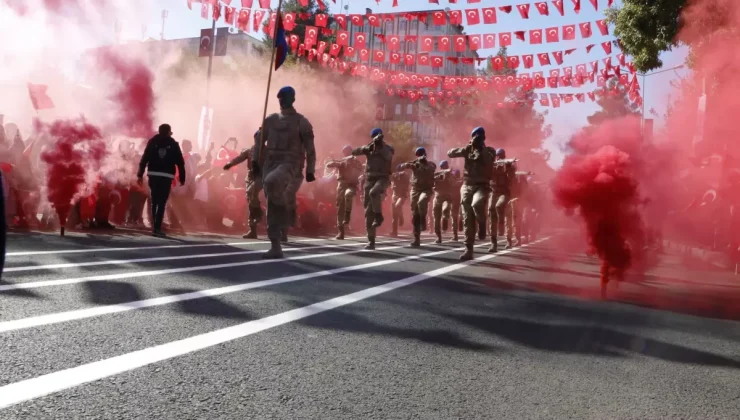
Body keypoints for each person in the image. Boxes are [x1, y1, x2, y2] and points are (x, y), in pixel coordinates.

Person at [253, 86, 316, 259]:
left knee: (272, 184)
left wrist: (310, 170)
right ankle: (276, 243)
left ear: (293, 99)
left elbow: (310, 149)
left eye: (286, 97)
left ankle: (286, 214)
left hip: (290, 163)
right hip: (270, 163)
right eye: (280, 97)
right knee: (271, 198)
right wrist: (254, 160)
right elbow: (259, 140)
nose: (282, 100)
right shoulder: (271, 119)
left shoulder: (301, 121)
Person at [447, 127, 497, 261]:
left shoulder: (490, 151)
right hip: (467, 186)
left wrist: (482, 148)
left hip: (482, 186)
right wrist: (468, 146)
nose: (477, 139)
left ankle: (481, 222)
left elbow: (489, 161)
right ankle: (468, 249)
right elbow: (450, 153)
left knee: (477, 204)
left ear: (484, 139)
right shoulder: (467, 150)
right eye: (475, 137)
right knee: (467, 218)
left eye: (480, 137)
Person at [137, 124, 186, 237]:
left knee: (154, 200)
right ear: (169, 132)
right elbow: (180, 162)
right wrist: (182, 178)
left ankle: (154, 226)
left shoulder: (152, 141)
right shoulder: (173, 144)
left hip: (153, 174)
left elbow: (144, 158)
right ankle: (157, 227)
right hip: (166, 176)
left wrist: (140, 175)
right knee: (162, 202)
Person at [352, 128, 394, 250]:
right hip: (369, 180)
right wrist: (366, 148)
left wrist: (381, 146)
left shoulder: (388, 148)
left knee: (374, 192)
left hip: (382, 179)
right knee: (367, 213)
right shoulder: (369, 147)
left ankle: (379, 216)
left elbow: (389, 157)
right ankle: (371, 241)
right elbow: (354, 152)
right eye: (375, 137)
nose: (377, 139)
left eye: (378, 137)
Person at [224, 129, 263, 239]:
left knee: (251, 191)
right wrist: (230, 164)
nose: (258, 140)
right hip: (250, 176)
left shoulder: (268, 151)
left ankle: (259, 212)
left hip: (262, 175)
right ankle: (252, 229)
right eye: (257, 138)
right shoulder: (249, 150)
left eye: (261, 138)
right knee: (250, 200)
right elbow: (239, 158)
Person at [399, 147, 436, 247]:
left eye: (421, 154)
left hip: (426, 190)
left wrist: (423, 163)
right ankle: (416, 239)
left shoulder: (430, 165)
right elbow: (404, 166)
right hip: (415, 190)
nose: (420, 156)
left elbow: (432, 169)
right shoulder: (414, 164)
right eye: (418, 155)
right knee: (415, 214)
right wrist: (403, 165)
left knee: (422, 202)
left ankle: (423, 219)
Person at [326, 145, 363, 240]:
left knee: (347, 198)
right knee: (340, 207)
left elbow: (362, 171)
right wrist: (336, 163)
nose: (346, 153)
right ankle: (341, 231)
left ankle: (345, 223)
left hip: (349, 185)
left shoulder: (354, 161)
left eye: (347, 151)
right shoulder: (343, 161)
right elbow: (329, 164)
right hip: (343, 185)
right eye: (345, 151)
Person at [489, 148, 517, 251]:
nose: (499, 157)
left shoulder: (510, 166)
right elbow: (488, 176)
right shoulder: (493, 165)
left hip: (505, 193)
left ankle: (508, 240)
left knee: (505, 215)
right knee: (492, 214)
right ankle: (493, 243)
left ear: (504, 156)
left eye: (501, 156)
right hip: (493, 192)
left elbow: (511, 178)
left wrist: (508, 166)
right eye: (498, 156)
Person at [432, 160, 459, 243]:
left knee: (437, 217)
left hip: (440, 196)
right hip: (445, 196)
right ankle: (445, 219)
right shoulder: (449, 175)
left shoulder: (437, 174)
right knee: (442, 214)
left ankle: (439, 237)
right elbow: (454, 184)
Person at [390, 164, 410, 237]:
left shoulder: (405, 176)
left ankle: (401, 217)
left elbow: (405, 177)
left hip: (402, 195)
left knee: (397, 206)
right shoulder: (394, 175)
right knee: (394, 215)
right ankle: (394, 231)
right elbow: (392, 177)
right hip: (394, 195)